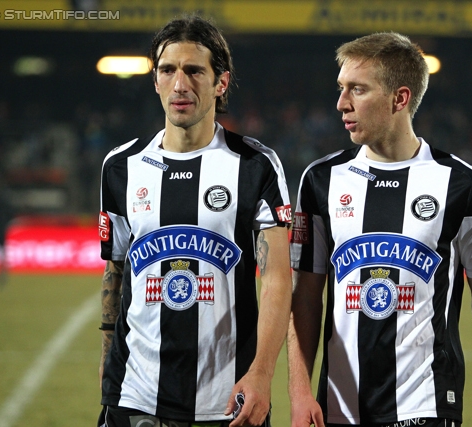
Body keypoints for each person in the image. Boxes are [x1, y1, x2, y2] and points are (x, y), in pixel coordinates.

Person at [287, 32, 472, 427]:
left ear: (399, 99)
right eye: (341, 88)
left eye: (357, 90)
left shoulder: (463, 185)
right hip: (339, 407)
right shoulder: (320, 181)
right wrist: (299, 392)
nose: (341, 103)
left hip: (428, 404)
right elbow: (306, 296)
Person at [98, 15, 292, 427]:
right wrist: (107, 373)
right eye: (167, 70)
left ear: (220, 83)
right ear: (155, 80)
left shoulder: (256, 165)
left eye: (194, 71)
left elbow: (276, 278)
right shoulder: (120, 166)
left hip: (227, 400)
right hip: (135, 394)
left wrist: (261, 372)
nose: (180, 84)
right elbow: (116, 270)